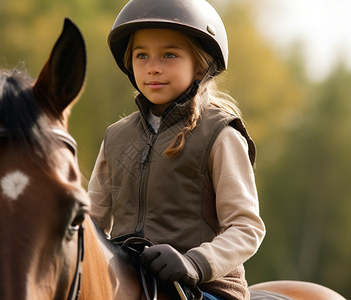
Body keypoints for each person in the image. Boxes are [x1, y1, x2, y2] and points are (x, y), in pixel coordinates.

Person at [88, 0, 266, 299]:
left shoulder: (220, 133)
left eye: (169, 55)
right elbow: (91, 221)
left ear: (199, 65)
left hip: (205, 285)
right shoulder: (116, 137)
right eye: (141, 55)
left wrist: (194, 263)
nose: (153, 67)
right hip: (126, 277)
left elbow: (246, 227)